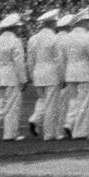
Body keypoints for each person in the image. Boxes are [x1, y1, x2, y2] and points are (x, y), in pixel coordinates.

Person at [0, 13, 27, 141]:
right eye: (17, 27)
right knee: (12, 105)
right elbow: (19, 62)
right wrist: (23, 79)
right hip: (11, 75)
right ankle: (10, 134)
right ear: (14, 28)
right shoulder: (15, 41)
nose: (19, 29)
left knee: (2, 103)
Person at [26, 8, 63, 139]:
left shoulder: (33, 39)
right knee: (52, 105)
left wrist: (32, 75)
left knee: (42, 100)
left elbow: (30, 60)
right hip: (51, 73)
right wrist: (61, 77)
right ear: (52, 23)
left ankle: (36, 119)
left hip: (38, 73)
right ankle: (49, 133)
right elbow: (58, 60)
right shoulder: (55, 38)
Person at [62, 9, 89, 139]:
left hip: (70, 72)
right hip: (85, 72)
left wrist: (63, 75)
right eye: (87, 21)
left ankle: (69, 123)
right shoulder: (88, 36)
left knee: (73, 101)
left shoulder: (66, 37)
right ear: (82, 22)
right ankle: (80, 132)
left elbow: (63, 58)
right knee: (84, 102)